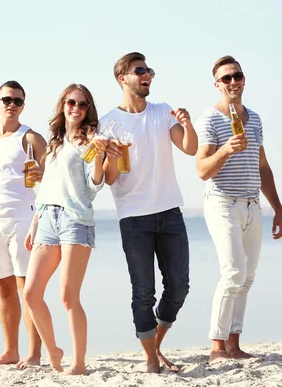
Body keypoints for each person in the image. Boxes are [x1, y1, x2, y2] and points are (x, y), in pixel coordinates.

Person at [100, 52, 198, 374]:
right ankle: (152, 358)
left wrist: (186, 123)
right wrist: (111, 155)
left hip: (170, 211)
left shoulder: (161, 112)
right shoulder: (108, 122)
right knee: (143, 292)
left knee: (179, 286)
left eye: (149, 71)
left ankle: (154, 345)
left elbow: (190, 148)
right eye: (139, 70)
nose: (147, 75)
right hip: (133, 218)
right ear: (122, 78)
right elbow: (109, 179)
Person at [194, 55, 282, 363]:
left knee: (247, 278)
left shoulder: (255, 119)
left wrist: (278, 208)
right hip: (222, 203)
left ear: (244, 80)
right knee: (232, 273)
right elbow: (202, 170)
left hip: (252, 204)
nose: (233, 81)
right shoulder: (210, 118)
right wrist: (225, 149)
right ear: (217, 84)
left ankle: (234, 345)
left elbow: (262, 166)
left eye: (237, 76)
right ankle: (217, 348)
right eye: (226, 78)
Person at [22, 84, 108, 375]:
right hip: (46, 219)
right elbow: (47, 186)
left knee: (68, 297)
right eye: (71, 102)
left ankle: (79, 363)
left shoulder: (91, 141)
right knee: (31, 293)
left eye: (82, 105)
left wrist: (98, 154)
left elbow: (95, 184)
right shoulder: (54, 141)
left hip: (76, 220)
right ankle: (53, 349)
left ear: (87, 110)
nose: (76, 108)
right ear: (62, 105)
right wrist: (34, 223)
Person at [0, 81, 46, 367]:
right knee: (2, 288)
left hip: (23, 217)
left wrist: (41, 174)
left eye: (17, 101)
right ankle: (10, 350)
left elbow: (51, 179)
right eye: (7, 99)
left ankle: (34, 352)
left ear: (23, 106)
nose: (11, 105)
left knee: (27, 288)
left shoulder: (30, 138)